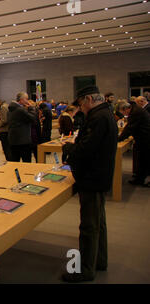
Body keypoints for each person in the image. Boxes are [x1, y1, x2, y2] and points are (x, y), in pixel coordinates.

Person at [62, 86, 118, 283]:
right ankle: (99, 261)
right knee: (98, 223)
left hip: (92, 178)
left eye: (80, 104)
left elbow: (86, 148)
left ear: (88, 99)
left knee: (89, 226)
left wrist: (69, 147)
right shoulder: (106, 114)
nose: (80, 108)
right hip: (99, 176)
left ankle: (86, 269)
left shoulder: (98, 117)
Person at [117, 102, 150, 187]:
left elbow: (129, 128)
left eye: (123, 112)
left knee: (145, 159)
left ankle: (139, 179)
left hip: (146, 138)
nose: (124, 115)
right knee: (143, 159)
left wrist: (118, 139)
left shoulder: (135, 113)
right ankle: (139, 178)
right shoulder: (136, 110)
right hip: (144, 137)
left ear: (126, 109)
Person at [7, 92, 36, 162]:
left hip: (13, 140)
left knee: (15, 163)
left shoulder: (10, 110)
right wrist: (31, 108)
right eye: (27, 99)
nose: (28, 101)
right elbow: (33, 118)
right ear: (22, 100)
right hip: (23, 141)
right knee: (26, 163)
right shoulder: (20, 110)